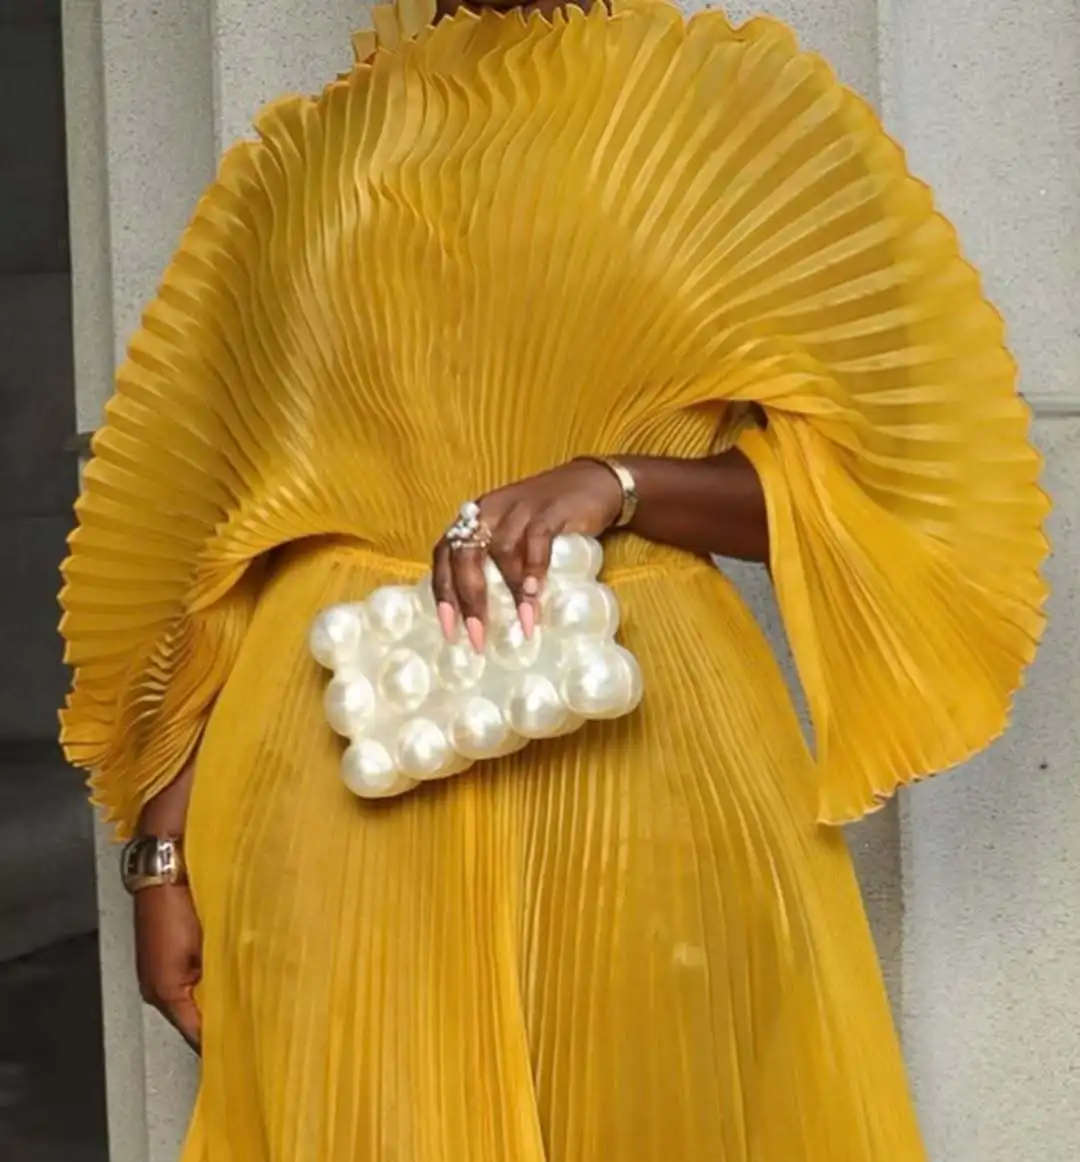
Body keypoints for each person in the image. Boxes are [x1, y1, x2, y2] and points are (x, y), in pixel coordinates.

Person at [59, 0, 1049, 1158]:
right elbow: (212, 550)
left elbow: (888, 481)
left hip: (642, 749)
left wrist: (621, 481)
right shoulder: (305, 166)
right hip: (326, 763)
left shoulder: (722, 119)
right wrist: (161, 856)